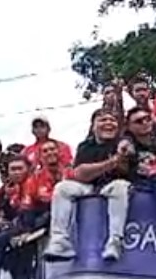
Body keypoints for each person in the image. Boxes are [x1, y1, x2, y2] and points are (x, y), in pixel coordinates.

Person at [45, 109, 133, 262]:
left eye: (112, 120)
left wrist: (123, 153)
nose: (108, 123)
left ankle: (115, 242)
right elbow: (81, 174)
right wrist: (111, 163)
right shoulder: (85, 146)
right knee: (62, 188)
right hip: (89, 187)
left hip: (113, 186)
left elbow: (125, 164)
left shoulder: (123, 142)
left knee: (120, 186)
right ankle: (60, 242)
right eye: (102, 120)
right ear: (93, 126)